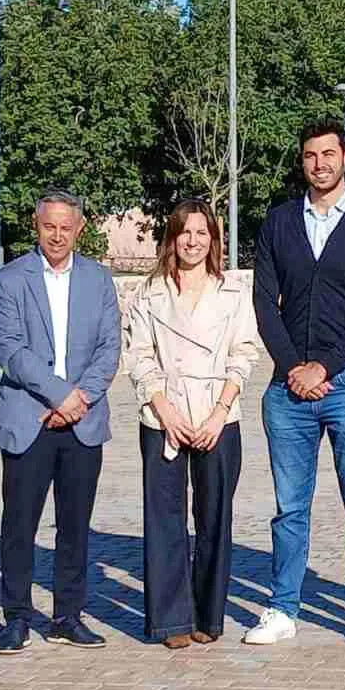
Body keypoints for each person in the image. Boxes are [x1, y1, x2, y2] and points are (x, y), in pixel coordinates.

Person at [245, 118, 345, 648]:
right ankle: (282, 607)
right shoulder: (279, 223)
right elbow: (265, 303)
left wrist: (326, 367)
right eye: (310, 156)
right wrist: (294, 367)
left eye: (328, 154)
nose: (319, 164)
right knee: (290, 506)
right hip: (288, 391)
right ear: (302, 162)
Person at [0, 190, 122, 655]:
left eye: (67, 227)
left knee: (75, 525)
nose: (58, 235)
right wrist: (59, 393)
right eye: (50, 227)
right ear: (36, 224)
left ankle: (68, 615)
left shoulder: (100, 280)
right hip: (31, 418)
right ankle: (16, 618)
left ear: (79, 229)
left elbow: (110, 347)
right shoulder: (9, 279)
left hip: (82, 420)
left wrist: (79, 397)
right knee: (20, 524)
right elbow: (11, 350)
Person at [122, 198, 258, 649]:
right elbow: (138, 354)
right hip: (163, 415)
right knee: (164, 518)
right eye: (185, 233)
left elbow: (244, 354)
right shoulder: (148, 292)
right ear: (172, 238)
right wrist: (163, 407)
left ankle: (208, 614)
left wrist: (220, 411)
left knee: (215, 517)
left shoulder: (233, 292)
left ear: (213, 240)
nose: (193, 242)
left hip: (219, 415)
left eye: (202, 233)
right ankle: (169, 619)